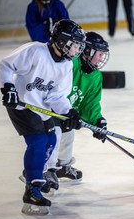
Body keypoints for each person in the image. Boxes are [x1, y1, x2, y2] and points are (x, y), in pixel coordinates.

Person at [0, 19, 86, 215]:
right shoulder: (36, 51)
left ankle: (35, 172)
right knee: (37, 142)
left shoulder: (66, 65)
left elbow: (57, 95)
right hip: (21, 103)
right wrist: (8, 88)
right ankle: (32, 189)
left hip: (40, 107)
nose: (77, 49)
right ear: (61, 41)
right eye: (74, 44)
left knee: (51, 139)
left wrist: (68, 112)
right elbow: (5, 66)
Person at [44, 31, 110, 190]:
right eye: (99, 54)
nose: (100, 58)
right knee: (56, 134)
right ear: (87, 51)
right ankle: (46, 170)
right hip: (50, 106)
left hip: (68, 111)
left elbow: (91, 102)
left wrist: (97, 120)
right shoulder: (70, 64)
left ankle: (63, 165)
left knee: (68, 133)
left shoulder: (95, 76)